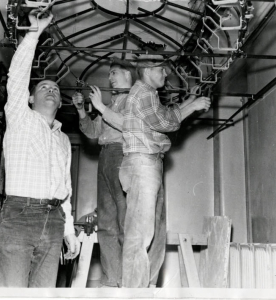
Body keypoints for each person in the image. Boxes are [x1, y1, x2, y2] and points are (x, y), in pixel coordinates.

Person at [0, 10, 80, 288]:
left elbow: (65, 188)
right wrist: (34, 34)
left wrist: (69, 231)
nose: (51, 90)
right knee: (10, 289)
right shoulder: (20, 117)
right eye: (44, 86)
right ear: (30, 97)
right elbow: (17, 77)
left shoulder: (63, 139)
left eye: (55, 88)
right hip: (21, 214)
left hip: (54, 220)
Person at [120, 55, 211, 288]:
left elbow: (163, 117)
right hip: (143, 164)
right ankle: (134, 293)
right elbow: (166, 124)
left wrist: (188, 101)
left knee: (143, 233)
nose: (166, 74)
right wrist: (192, 106)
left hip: (143, 164)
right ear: (148, 70)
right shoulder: (145, 92)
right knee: (140, 236)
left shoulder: (143, 94)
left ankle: (141, 288)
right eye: (161, 70)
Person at [72, 58, 136, 288]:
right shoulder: (113, 103)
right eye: (109, 74)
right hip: (105, 156)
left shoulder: (135, 99)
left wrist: (100, 106)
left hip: (123, 155)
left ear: (129, 76)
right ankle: (111, 280)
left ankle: (130, 281)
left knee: (124, 220)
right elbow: (92, 131)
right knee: (107, 223)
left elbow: (129, 126)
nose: (110, 78)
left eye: (115, 73)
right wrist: (81, 110)